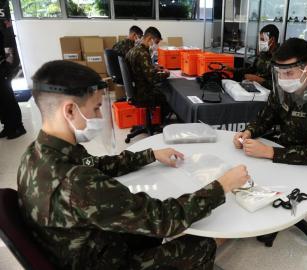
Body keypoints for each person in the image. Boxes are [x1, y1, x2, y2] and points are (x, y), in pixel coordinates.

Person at [17, 60, 249, 269]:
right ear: (69, 110)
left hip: (81, 244)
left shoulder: (37, 152)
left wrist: (150, 155)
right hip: (98, 260)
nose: (99, 115)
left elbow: (96, 163)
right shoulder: (77, 184)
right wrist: (222, 185)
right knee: (199, 244)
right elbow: (166, 219)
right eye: (96, 107)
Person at [233, 37, 307, 166]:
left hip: (304, 164)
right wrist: (248, 132)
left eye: (288, 73)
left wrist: (269, 152)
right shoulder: (282, 90)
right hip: (280, 150)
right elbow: (264, 119)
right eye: (279, 73)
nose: (282, 79)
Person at [125, 26, 171, 119]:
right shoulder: (143, 53)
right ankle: (161, 121)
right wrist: (166, 74)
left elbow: (140, 69)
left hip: (135, 89)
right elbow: (152, 79)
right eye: (156, 42)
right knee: (167, 93)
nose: (157, 45)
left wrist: (154, 67)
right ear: (150, 39)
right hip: (143, 92)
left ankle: (153, 118)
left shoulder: (134, 49)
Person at [232, 24, 279, 89]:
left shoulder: (281, 58)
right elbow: (252, 69)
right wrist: (232, 69)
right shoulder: (262, 53)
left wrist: (259, 80)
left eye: (262, 39)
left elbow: (279, 86)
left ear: (272, 40)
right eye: (260, 39)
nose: (260, 42)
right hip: (254, 88)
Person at [0, 30, 25, 139]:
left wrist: (8, 68)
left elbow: (8, 50)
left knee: (8, 99)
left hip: (3, 69)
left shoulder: (1, 32)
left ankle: (18, 127)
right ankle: (8, 126)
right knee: (1, 101)